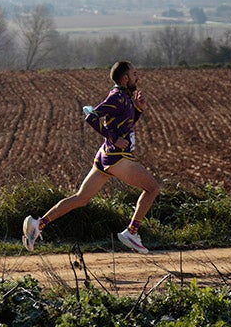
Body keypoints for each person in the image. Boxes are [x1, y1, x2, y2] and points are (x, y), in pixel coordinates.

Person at [23, 60, 159, 254]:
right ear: (125, 78)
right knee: (152, 188)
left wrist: (138, 110)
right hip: (116, 157)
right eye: (134, 73)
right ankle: (131, 231)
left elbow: (125, 124)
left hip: (105, 157)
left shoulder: (126, 97)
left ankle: (38, 224)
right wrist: (113, 138)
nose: (138, 76)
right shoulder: (116, 97)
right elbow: (91, 116)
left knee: (81, 198)